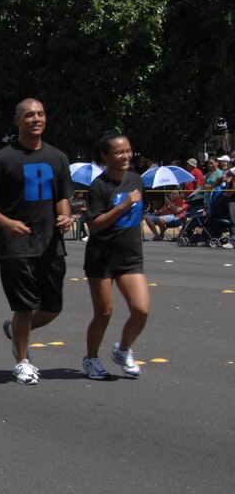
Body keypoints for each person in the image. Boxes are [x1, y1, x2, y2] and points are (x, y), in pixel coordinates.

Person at [0, 98, 75, 385]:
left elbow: (64, 197)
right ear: (17, 120)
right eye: (29, 115)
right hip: (14, 245)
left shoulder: (57, 157)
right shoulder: (2, 159)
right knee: (23, 306)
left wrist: (66, 216)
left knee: (52, 308)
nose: (36, 119)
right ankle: (22, 360)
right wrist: (6, 223)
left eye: (40, 114)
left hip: (50, 244)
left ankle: (16, 330)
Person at [80, 132, 149, 379]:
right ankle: (90, 359)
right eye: (119, 152)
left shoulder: (136, 180)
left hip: (130, 257)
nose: (126, 156)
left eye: (128, 151)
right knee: (104, 312)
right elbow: (94, 225)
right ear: (105, 156)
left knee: (141, 310)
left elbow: (140, 214)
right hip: (102, 258)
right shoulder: (99, 186)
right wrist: (122, 206)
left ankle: (122, 349)